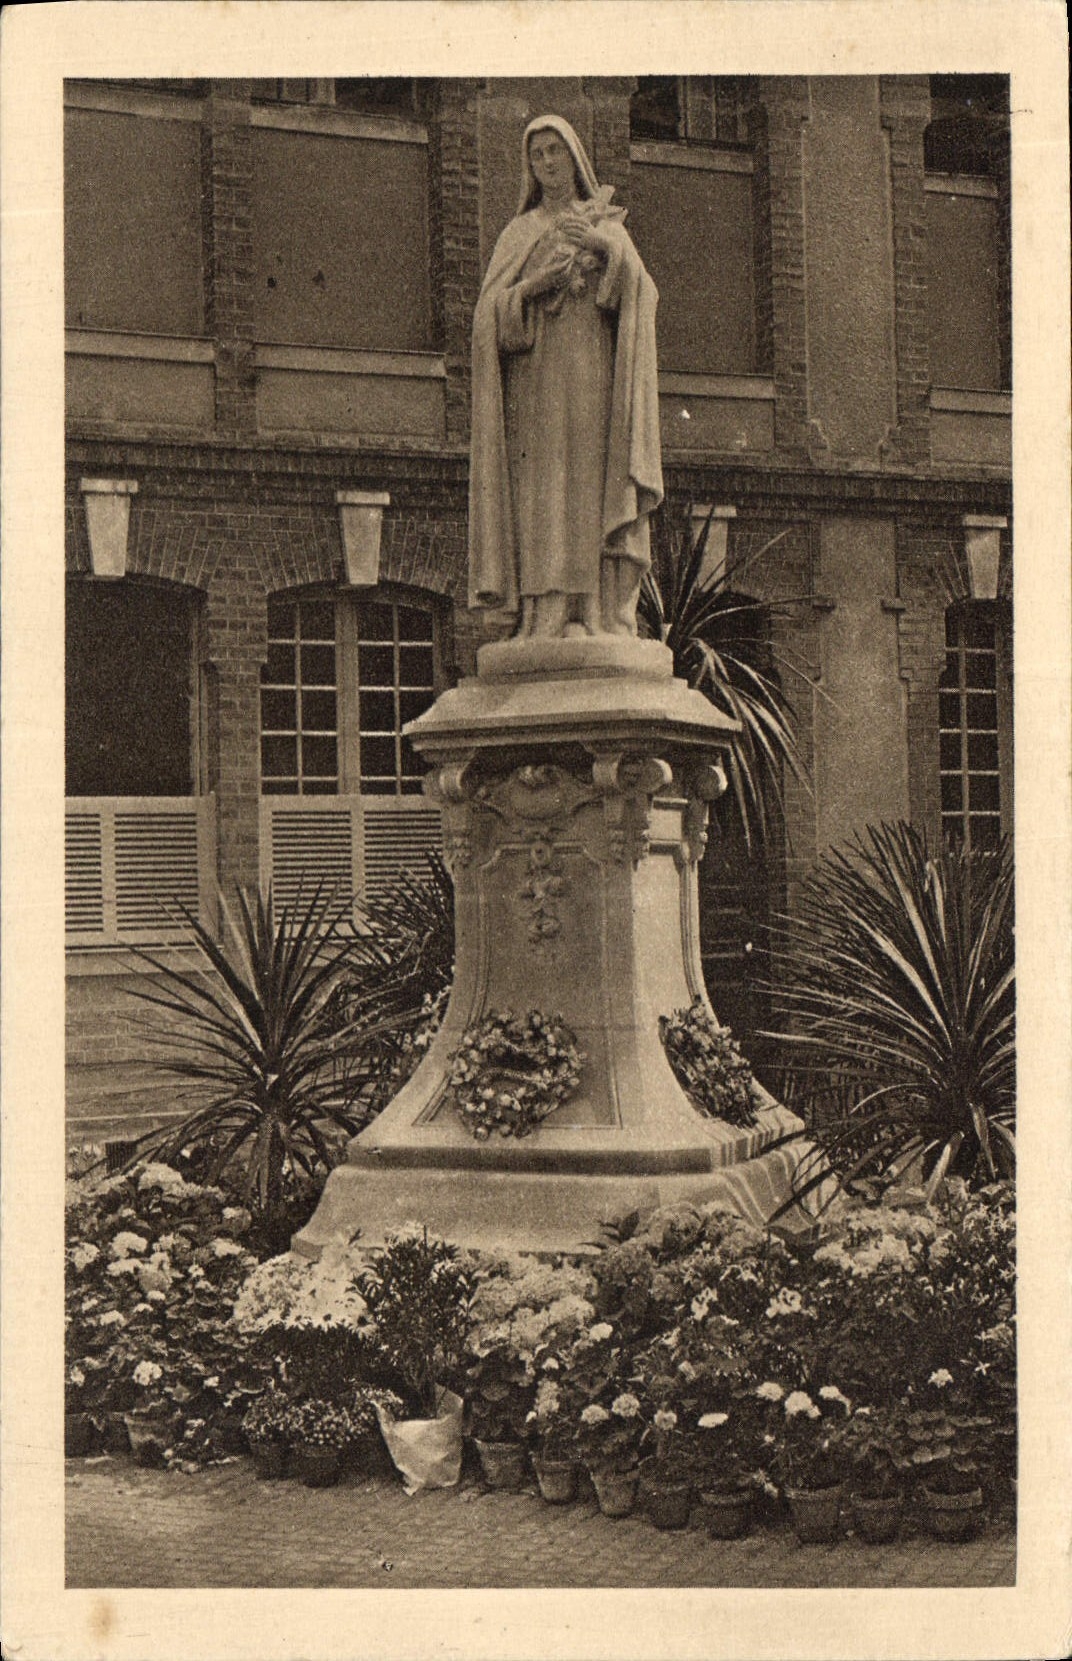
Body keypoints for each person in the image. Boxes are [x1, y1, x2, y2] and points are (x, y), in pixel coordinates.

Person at [468, 115, 663, 639]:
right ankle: (546, 615)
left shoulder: (604, 223)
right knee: (544, 492)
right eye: (538, 156)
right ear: (529, 168)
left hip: (594, 378)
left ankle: (596, 610)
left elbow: (644, 295)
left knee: (589, 486)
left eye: (555, 151)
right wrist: (532, 287)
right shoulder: (521, 231)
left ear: (573, 157)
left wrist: (603, 249)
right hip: (537, 388)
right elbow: (487, 318)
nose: (548, 163)